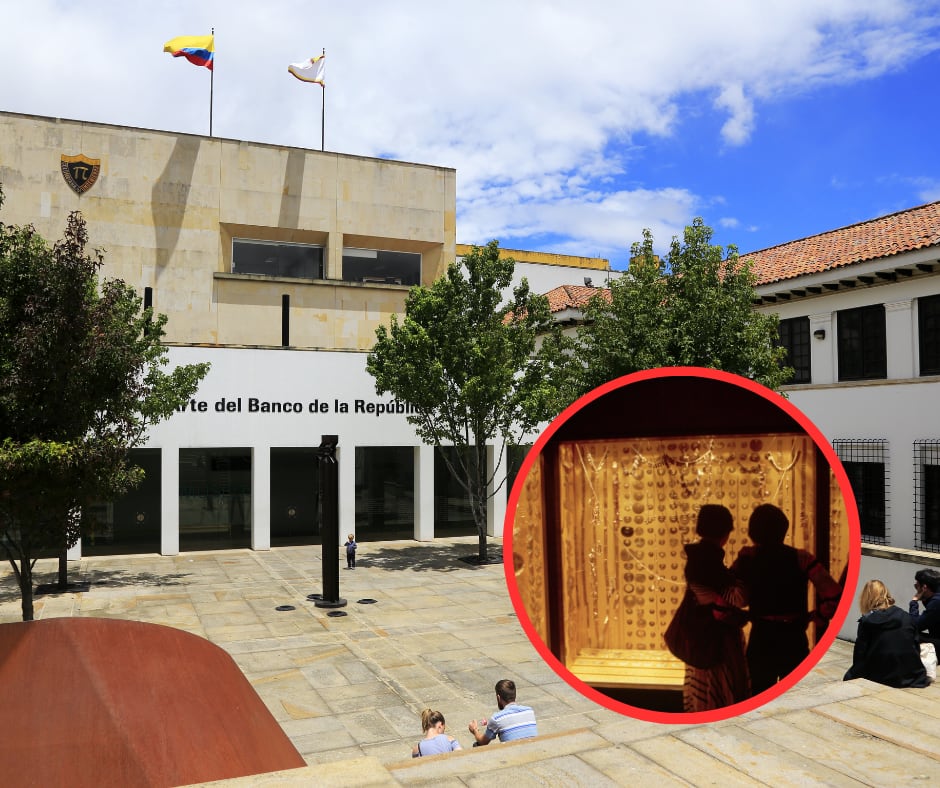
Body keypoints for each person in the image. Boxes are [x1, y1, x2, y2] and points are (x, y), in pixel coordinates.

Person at [731, 503, 842, 696]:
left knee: (758, 698)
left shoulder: (748, 558)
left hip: (761, 638)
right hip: (793, 638)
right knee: (797, 697)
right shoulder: (802, 558)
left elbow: (736, 598)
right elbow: (833, 593)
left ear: (753, 531)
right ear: (783, 529)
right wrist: (819, 616)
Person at [681, 504, 749, 712]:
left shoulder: (698, 557)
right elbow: (738, 598)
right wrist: (743, 564)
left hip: (701, 640)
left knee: (702, 697)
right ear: (725, 533)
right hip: (715, 647)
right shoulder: (709, 562)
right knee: (717, 699)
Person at [843, 580, 928, 688]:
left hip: (882, 677)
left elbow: (860, 655)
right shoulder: (906, 616)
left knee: (848, 677)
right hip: (912, 675)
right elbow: (915, 646)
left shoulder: (867, 621)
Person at [468, 679, 536, 746]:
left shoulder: (497, 718)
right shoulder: (529, 711)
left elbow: (483, 742)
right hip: (535, 752)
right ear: (514, 695)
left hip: (513, 754)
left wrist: (474, 730)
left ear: (498, 697)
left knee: (477, 745)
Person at [910, 567, 940, 653]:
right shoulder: (936, 597)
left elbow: (916, 625)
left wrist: (914, 601)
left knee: (908, 634)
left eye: (917, 586)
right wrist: (924, 598)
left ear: (924, 587)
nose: (916, 588)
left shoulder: (936, 602)